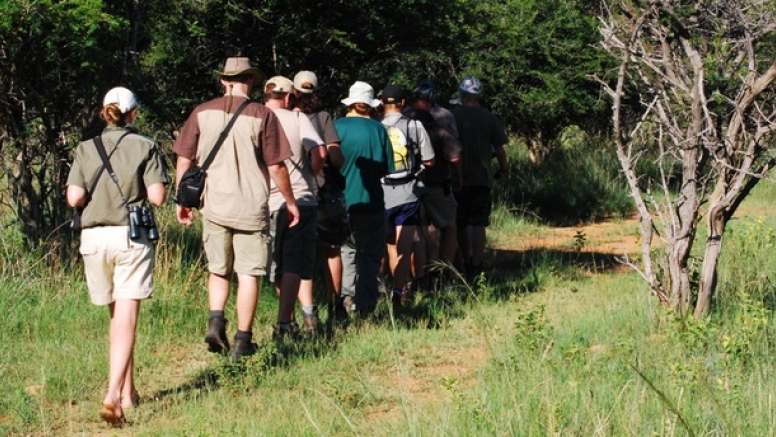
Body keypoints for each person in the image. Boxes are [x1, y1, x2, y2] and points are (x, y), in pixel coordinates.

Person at [172, 57, 299, 360]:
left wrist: (183, 199)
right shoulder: (261, 114)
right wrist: (291, 202)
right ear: (252, 81)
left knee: (218, 269)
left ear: (223, 81)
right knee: (248, 274)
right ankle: (243, 340)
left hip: (214, 204)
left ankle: (216, 320)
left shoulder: (201, 112)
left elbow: (184, 159)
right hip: (251, 207)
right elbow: (276, 165)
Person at [66, 86, 168, 425]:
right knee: (126, 319)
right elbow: (156, 197)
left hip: (94, 239)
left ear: (104, 112)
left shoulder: (84, 148)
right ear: (134, 114)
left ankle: (128, 391)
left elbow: (74, 198)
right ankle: (112, 395)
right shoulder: (146, 146)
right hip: (131, 238)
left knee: (117, 320)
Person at [262, 75, 326, 336]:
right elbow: (320, 153)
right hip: (300, 198)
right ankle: (285, 323)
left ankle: (285, 318)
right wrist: (311, 174)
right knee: (294, 263)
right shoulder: (297, 119)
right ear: (288, 97)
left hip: (265, 202)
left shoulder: (255, 118)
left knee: (276, 264)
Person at [290, 71, 347, 319]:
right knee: (331, 249)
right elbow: (334, 157)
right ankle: (337, 303)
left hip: (292, 192)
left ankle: (306, 311)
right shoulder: (323, 118)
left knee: (299, 252)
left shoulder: (285, 117)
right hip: (322, 192)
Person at [334, 81, 393, 316]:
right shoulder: (378, 130)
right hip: (372, 201)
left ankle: (346, 298)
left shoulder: (336, 127)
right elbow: (387, 167)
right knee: (369, 253)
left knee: (345, 250)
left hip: (342, 201)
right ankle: (366, 303)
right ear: (369, 105)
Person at [379, 84, 434, 308]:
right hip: (408, 194)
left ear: (382, 103)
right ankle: (398, 292)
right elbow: (429, 160)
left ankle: (387, 288)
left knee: (390, 246)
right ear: (403, 103)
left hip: (382, 194)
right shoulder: (414, 125)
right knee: (405, 246)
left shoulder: (375, 127)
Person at [405, 80, 463, 286]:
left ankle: (416, 277)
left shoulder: (401, 124)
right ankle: (444, 273)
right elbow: (455, 156)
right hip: (437, 184)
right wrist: (459, 177)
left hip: (408, 187)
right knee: (447, 226)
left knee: (418, 230)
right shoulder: (439, 125)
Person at [451, 76, 508, 280]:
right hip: (482, 178)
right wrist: (503, 169)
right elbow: (500, 151)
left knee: (461, 222)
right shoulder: (489, 118)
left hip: (458, 178)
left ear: (462, 95)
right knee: (478, 223)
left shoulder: (452, 116)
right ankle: (477, 263)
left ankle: (466, 260)